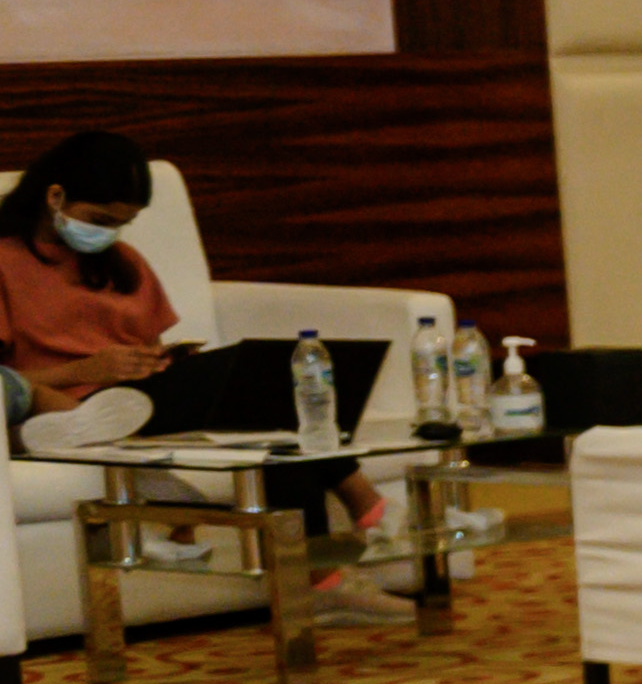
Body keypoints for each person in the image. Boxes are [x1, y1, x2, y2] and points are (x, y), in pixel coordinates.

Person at [0, 133, 418, 622]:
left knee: (268, 407)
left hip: (143, 399)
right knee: (262, 376)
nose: (109, 234)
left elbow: (147, 345)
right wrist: (85, 370)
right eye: (100, 220)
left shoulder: (122, 262)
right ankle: (364, 509)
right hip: (74, 410)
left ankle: (321, 580)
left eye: (122, 224)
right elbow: (7, 385)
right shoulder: (5, 261)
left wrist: (167, 360)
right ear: (55, 196)